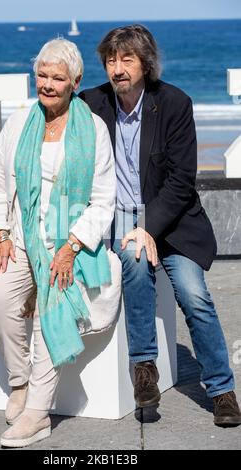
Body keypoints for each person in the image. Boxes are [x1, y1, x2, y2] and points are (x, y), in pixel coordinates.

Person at [79, 24, 241, 427]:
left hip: (172, 220)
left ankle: (221, 390)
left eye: (126, 59)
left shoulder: (173, 103)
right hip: (119, 217)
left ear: (145, 64)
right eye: (111, 60)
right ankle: (144, 372)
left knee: (194, 294)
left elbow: (182, 180)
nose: (117, 68)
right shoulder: (91, 103)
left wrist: (149, 226)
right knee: (134, 263)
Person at [0, 38, 117, 447]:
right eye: (42, 74)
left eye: (57, 77)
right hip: (23, 239)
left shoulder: (92, 129)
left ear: (75, 82)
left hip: (67, 241)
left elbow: (103, 197)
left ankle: (38, 413)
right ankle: (19, 382)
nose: (48, 84)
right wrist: (1, 235)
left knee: (53, 309)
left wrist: (71, 245)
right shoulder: (19, 125)